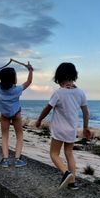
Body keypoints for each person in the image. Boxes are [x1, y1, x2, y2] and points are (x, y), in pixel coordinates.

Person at [36, 62, 91, 190]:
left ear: (59, 78)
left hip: (59, 130)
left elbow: (47, 108)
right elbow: (85, 112)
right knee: (69, 153)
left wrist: (39, 119)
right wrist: (85, 127)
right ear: (74, 76)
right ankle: (72, 183)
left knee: (54, 154)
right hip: (72, 129)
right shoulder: (80, 93)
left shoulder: (58, 93)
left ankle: (66, 173)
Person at [0, 63, 33, 168]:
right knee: (19, 135)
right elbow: (29, 82)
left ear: (0, 79)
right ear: (14, 79)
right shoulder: (17, 89)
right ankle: (17, 159)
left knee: (4, 136)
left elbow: (2, 81)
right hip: (16, 114)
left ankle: (5, 160)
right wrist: (30, 70)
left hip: (4, 114)